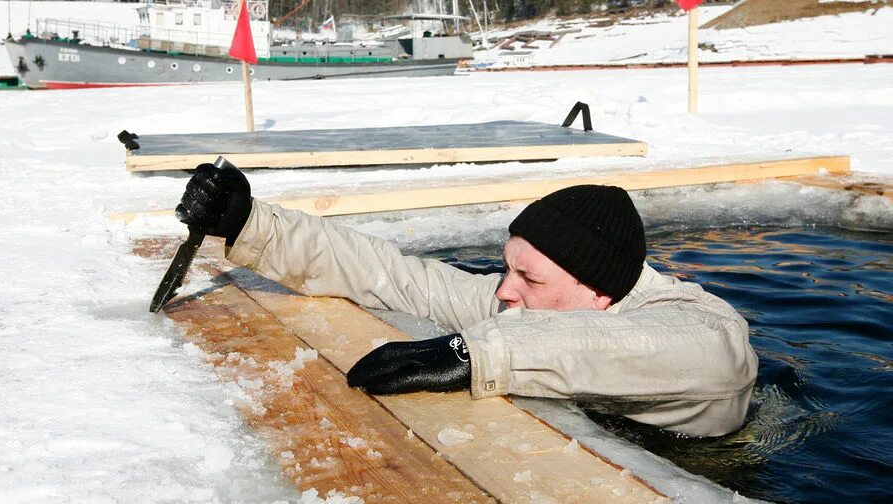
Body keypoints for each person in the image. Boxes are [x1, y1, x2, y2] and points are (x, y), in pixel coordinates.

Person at [175, 163, 758, 437]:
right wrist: (253, 225)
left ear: (600, 293)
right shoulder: (520, 312)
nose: (506, 291)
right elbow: (403, 278)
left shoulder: (700, 330)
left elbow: (713, 360)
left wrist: (476, 354)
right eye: (508, 268)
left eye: (529, 279)